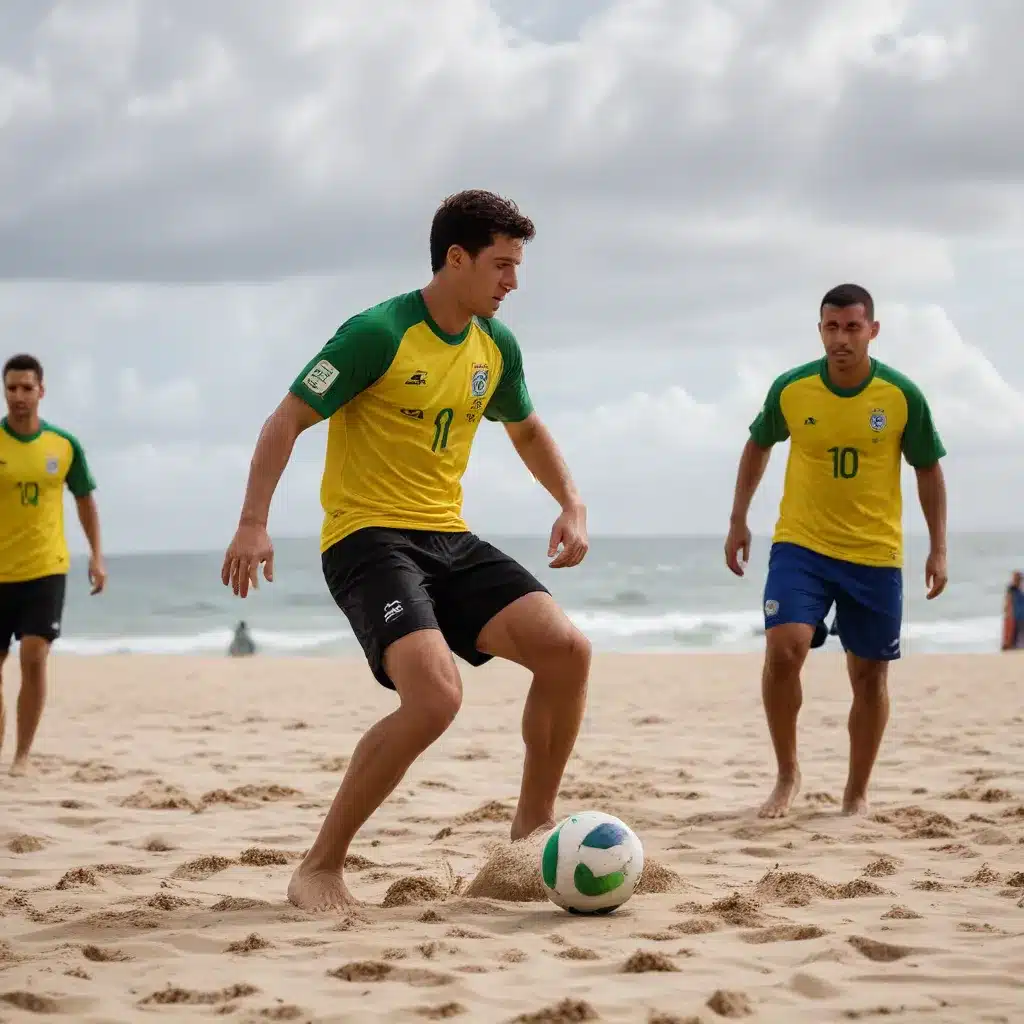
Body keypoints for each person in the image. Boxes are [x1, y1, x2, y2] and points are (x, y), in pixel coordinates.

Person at [220, 190, 592, 911]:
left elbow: (525, 429)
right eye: (502, 265)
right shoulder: (377, 332)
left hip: (446, 535)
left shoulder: (494, 344)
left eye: (517, 266)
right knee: (435, 698)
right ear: (456, 259)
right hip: (367, 538)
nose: (513, 282)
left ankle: (531, 826)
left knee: (567, 652)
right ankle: (319, 866)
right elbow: (286, 418)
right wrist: (252, 521)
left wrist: (570, 502)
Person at [724, 283, 948, 819]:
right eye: (831, 327)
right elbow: (758, 444)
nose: (841, 338)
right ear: (819, 329)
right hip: (802, 544)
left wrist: (938, 548)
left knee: (869, 676)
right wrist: (738, 520)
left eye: (852, 327)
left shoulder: (900, 396)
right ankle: (787, 774)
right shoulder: (792, 389)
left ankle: (856, 794)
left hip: (874, 553)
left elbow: (928, 469)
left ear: (872, 330)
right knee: (785, 649)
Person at [0, 354, 106, 775]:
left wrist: (96, 555)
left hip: (46, 568)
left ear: (41, 391)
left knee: (33, 655)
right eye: (11, 388)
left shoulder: (63, 445)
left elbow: (84, 500)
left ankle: (22, 756)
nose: (19, 396)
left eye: (27, 388)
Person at [1002, 571, 1024, 651]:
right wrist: (1007, 612)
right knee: (1014, 634)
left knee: (1018, 635)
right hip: (1015, 616)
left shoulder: (1019, 589)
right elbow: (1008, 602)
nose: (1019, 581)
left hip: (1020, 616)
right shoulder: (1011, 589)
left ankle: (1015, 648)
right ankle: (1011, 648)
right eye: (1017, 579)